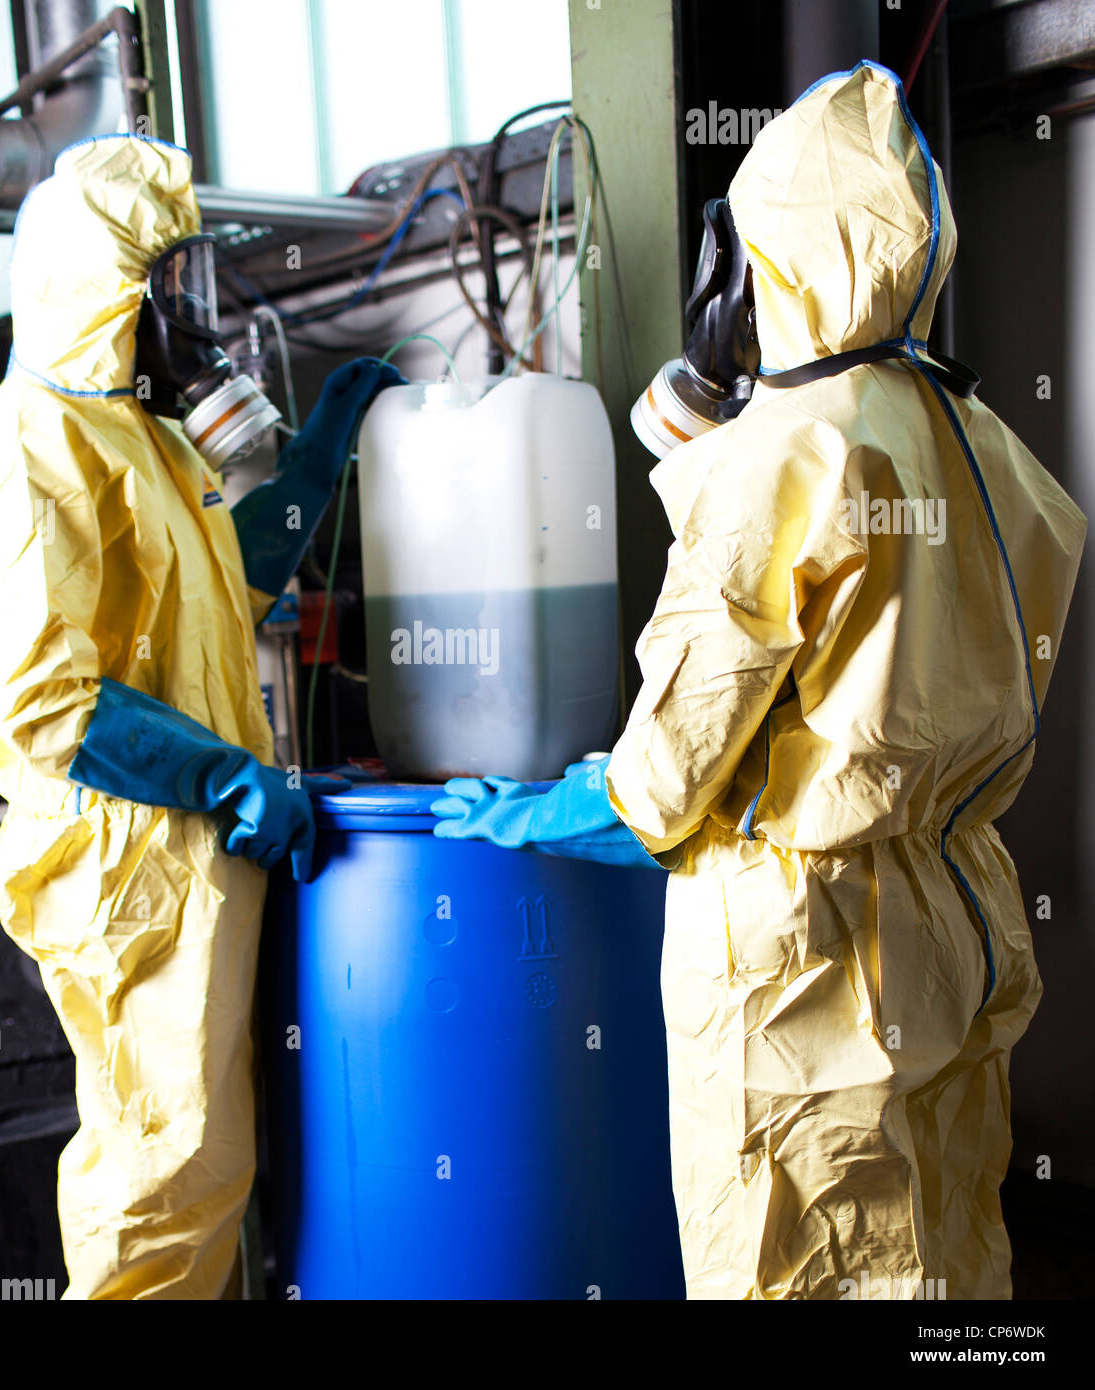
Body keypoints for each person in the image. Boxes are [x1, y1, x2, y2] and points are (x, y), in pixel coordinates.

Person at [433, 62, 1086, 1299]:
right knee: (947, 1252)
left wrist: (555, 806)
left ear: (771, 253)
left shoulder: (790, 450)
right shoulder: (982, 437)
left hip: (807, 960)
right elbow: (873, 609)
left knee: (808, 1265)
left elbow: (669, 770)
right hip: (956, 913)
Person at [0, 134, 399, 1299]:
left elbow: (221, 590)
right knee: (161, 1178)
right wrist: (235, 781)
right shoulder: (15, 461)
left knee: (210, 1175)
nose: (191, 320)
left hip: (187, 867)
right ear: (100, 289)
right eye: (167, 288)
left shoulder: (136, 440)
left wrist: (316, 465)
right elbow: (50, 710)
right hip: (126, 875)